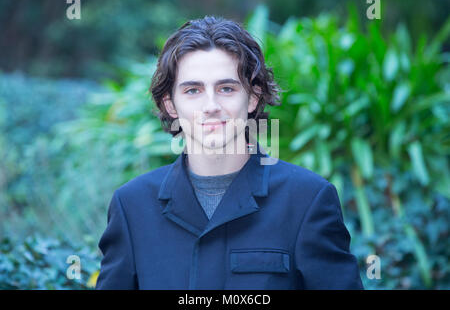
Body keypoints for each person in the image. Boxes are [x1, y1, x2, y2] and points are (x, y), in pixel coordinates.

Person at [96, 15, 363, 290]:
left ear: (253, 97)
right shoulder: (131, 206)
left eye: (226, 88)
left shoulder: (308, 200)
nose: (211, 105)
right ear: (171, 105)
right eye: (193, 90)